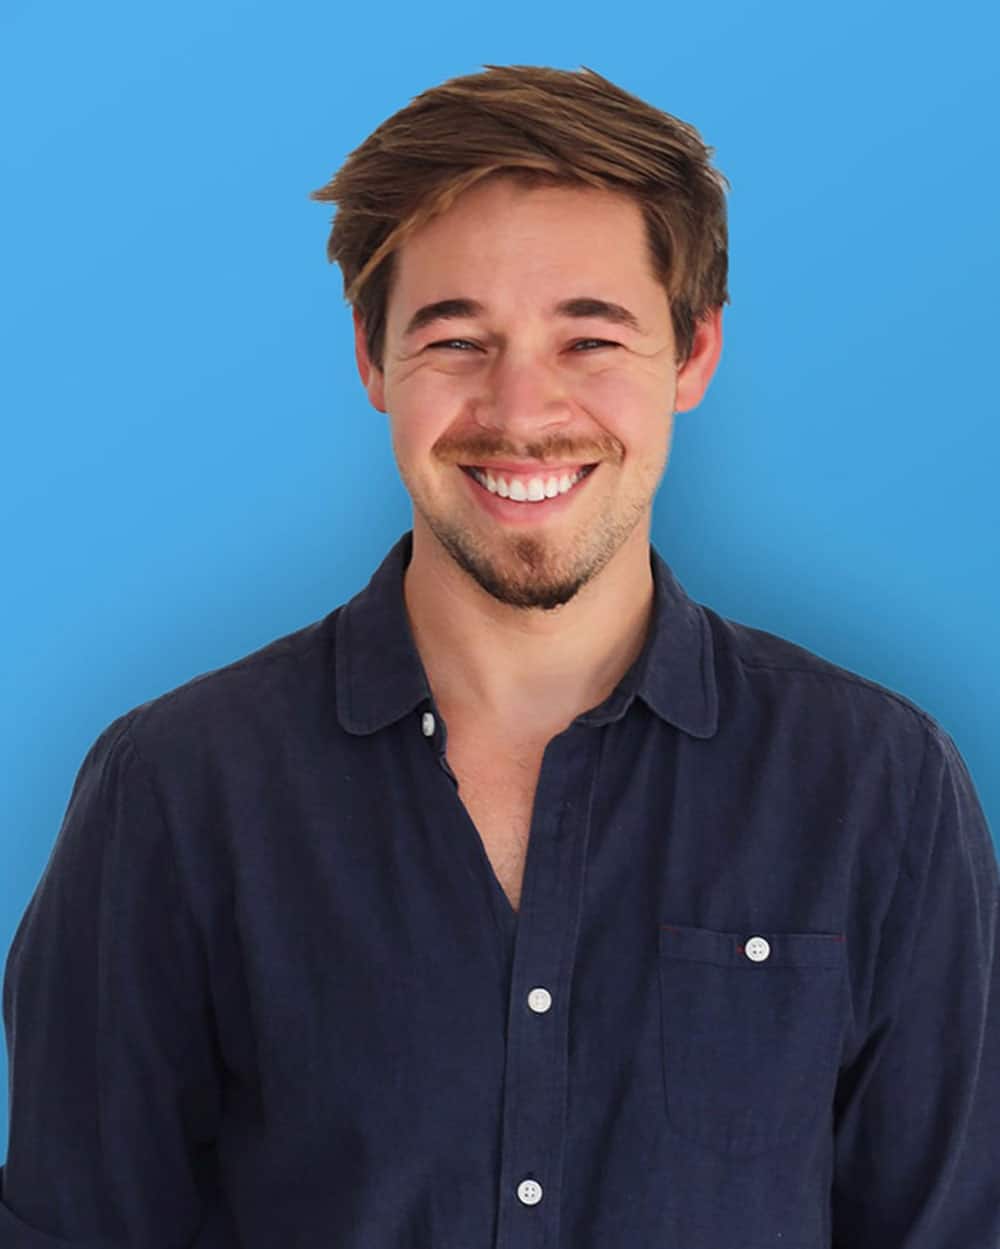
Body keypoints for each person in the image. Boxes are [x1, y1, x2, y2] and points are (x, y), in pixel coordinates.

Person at [1, 63, 997, 1249]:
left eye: (589, 338)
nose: (521, 411)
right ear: (373, 363)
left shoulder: (879, 788)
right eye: (457, 338)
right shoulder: (171, 793)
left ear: (692, 354)